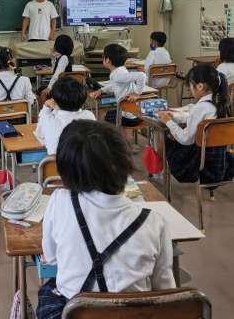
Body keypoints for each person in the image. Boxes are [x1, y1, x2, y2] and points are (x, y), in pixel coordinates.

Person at [37, 120, 175, 319]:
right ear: (125, 164)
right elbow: (165, 290)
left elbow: (50, 257)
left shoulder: (60, 200)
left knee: (50, 290)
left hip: (75, 312)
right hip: (132, 315)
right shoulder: (154, 222)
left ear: (66, 170)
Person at [157, 63, 234, 185]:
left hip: (200, 162)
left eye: (190, 86)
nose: (189, 90)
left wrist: (168, 121)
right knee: (176, 132)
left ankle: (159, 173)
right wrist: (177, 118)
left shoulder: (201, 107)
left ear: (200, 86)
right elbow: (198, 119)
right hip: (219, 159)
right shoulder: (221, 102)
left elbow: (185, 139)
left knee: (163, 136)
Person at [90, 44, 146, 126]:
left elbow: (142, 76)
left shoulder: (118, 75)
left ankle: (112, 134)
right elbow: (114, 84)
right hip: (136, 113)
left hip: (128, 116)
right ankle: (124, 134)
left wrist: (137, 94)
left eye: (103, 56)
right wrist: (101, 90)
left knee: (103, 115)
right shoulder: (121, 71)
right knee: (115, 113)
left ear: (108, 60)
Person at [35, 78, 95, 154]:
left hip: (57, 161)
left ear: (54, 100)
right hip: (86, 161)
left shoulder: (48, 119)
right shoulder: (89, 115)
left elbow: (39, 135)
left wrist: (46, 107)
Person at [38, 34, 74, 104]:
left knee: (42, 92)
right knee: (41, 90)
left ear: (58, 46)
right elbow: (54, 68)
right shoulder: (63, 57)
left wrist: (49, 88)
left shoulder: (64, 58)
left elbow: (57, 75)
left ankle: (45, 110)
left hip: (62, 88)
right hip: (62, 86)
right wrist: (53, 57)